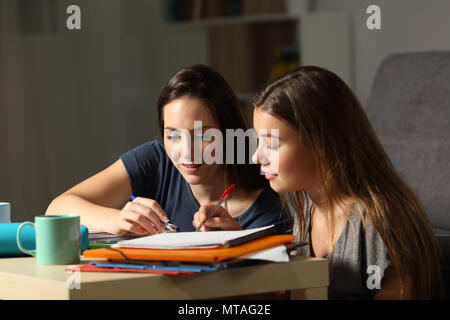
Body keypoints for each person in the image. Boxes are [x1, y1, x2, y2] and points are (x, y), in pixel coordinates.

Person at [251, 66, 443, 299]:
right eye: (258, 142)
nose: (257, 157)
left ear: (320, 141)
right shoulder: (304, 211)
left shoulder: (378, 223)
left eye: (272, 144)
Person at [46, 65, 290, 235]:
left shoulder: (269, 207)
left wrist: (240, 246)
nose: (186, 152)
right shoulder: (155, 159)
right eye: (173, 135)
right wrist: (117, 219)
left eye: (203, 135)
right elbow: (57, 209)